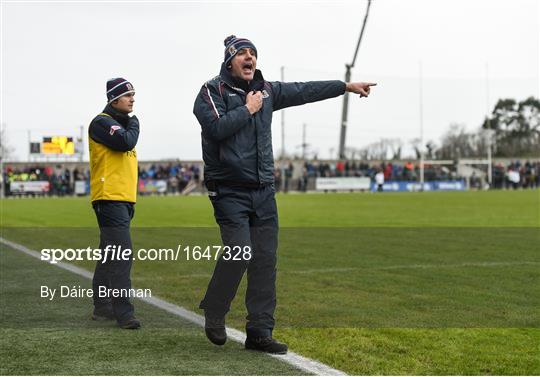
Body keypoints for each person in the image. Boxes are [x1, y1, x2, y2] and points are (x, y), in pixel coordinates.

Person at [193, 35, 376, 354]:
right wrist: (248, 110)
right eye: (242, 54)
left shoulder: (268, 90)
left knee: (265, 260)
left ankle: (260, 332)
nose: (249, 58)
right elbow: (216, 129)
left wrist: (344, 87)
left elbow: (305, 90)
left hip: (264, 191)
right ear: (229, 61)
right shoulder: (211, 91)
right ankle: (215, 309)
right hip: (229, 191)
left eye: (253, 53)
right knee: (240, 252)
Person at [88, 77, 141, 329]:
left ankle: (102, 306)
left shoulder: (123, 124)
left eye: (133, 95)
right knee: (122, 254)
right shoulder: (101, 122)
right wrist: (134, 123)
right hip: (109, 198)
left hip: (122, 199)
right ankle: (124, 312)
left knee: (110, 254)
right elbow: (126, 142)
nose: (132, 99)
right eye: (128, 95)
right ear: (114, 98)